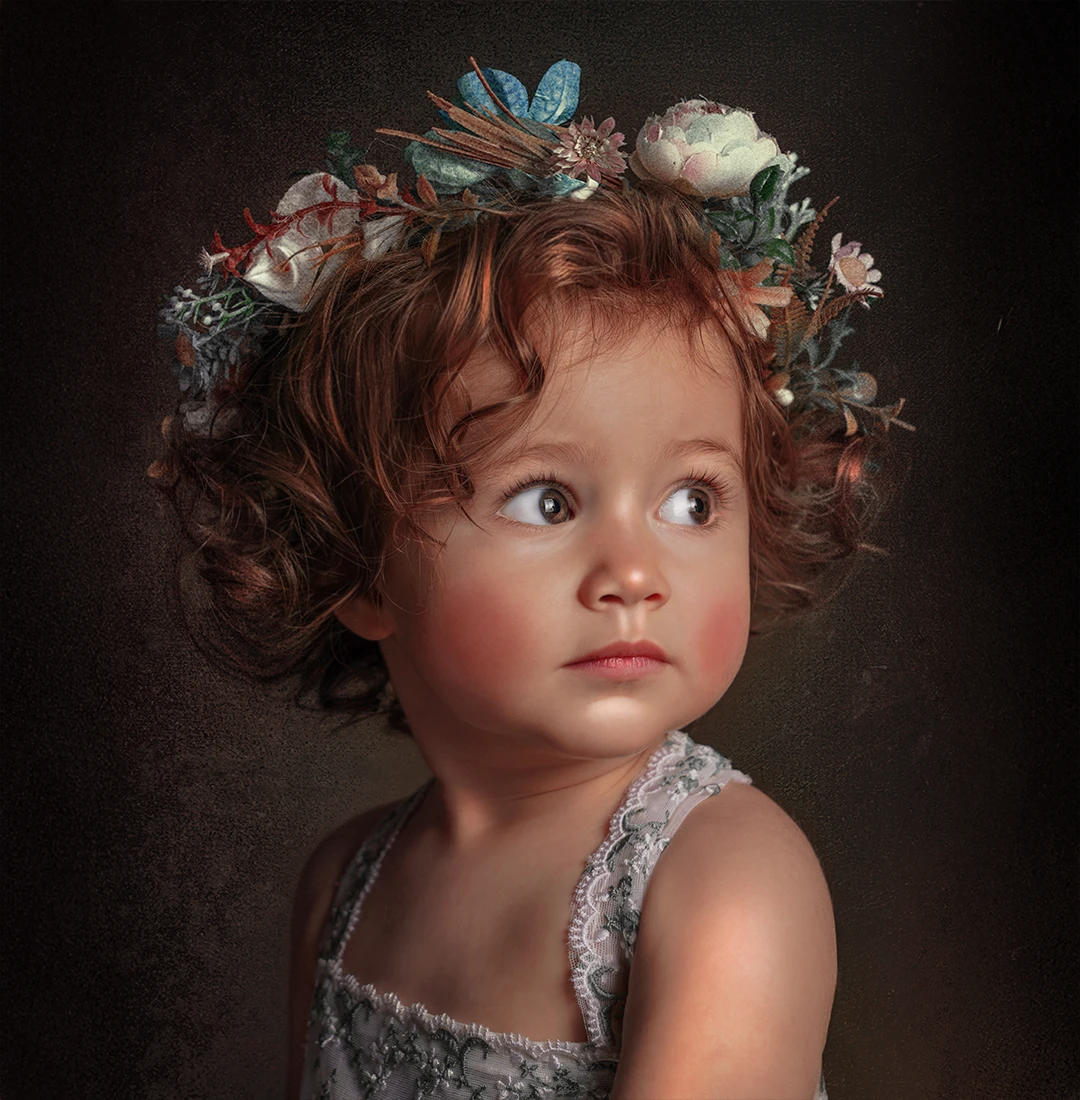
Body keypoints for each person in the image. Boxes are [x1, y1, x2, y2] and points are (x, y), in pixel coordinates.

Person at [151, 57, 909, 1100]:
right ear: (356, 566)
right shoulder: (342, 888)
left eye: (693, 500)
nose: (635, 571)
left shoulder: (721, 883)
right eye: (547, 500)